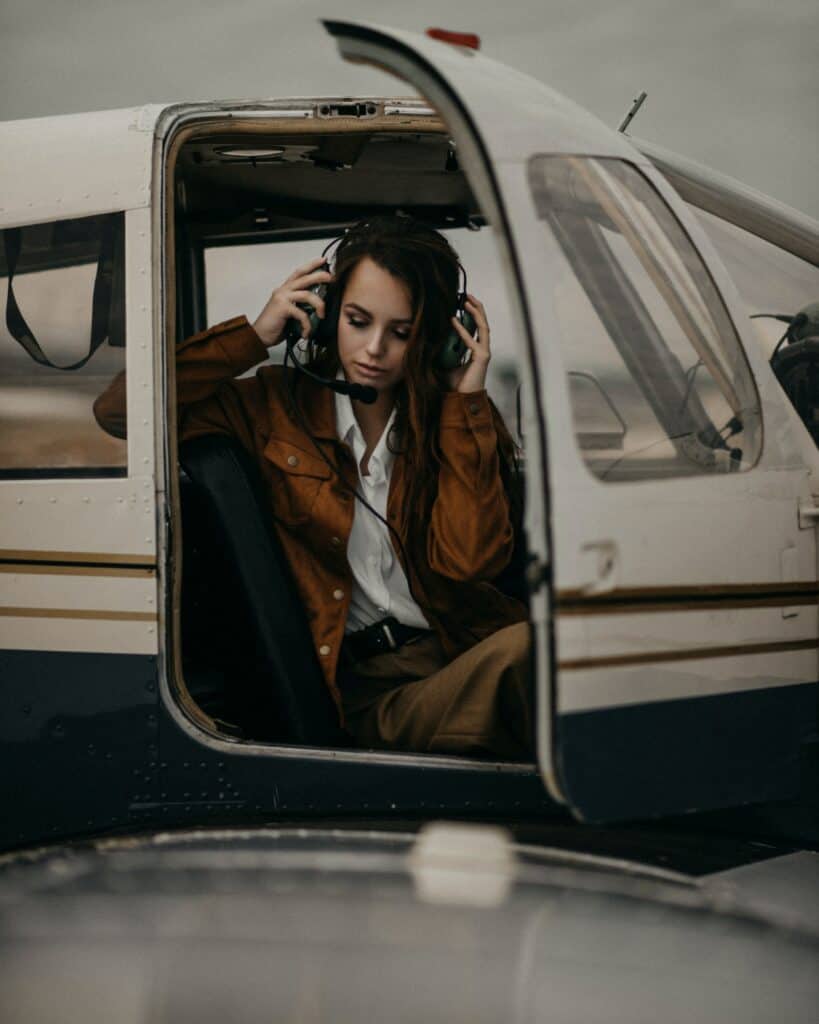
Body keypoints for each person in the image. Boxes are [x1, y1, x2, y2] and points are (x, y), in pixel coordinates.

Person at [95, 216, 533, 760]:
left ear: (437, 340)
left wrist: (464, 401)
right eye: (356, 320)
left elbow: (469, 563)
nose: (374, 349)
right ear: (325, 317)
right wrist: (254, 337)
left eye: (401, 332)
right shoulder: (271, 407)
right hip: (368, 690)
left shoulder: (452, 422)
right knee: (539, 654)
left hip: (462, 656)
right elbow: (119, 410)